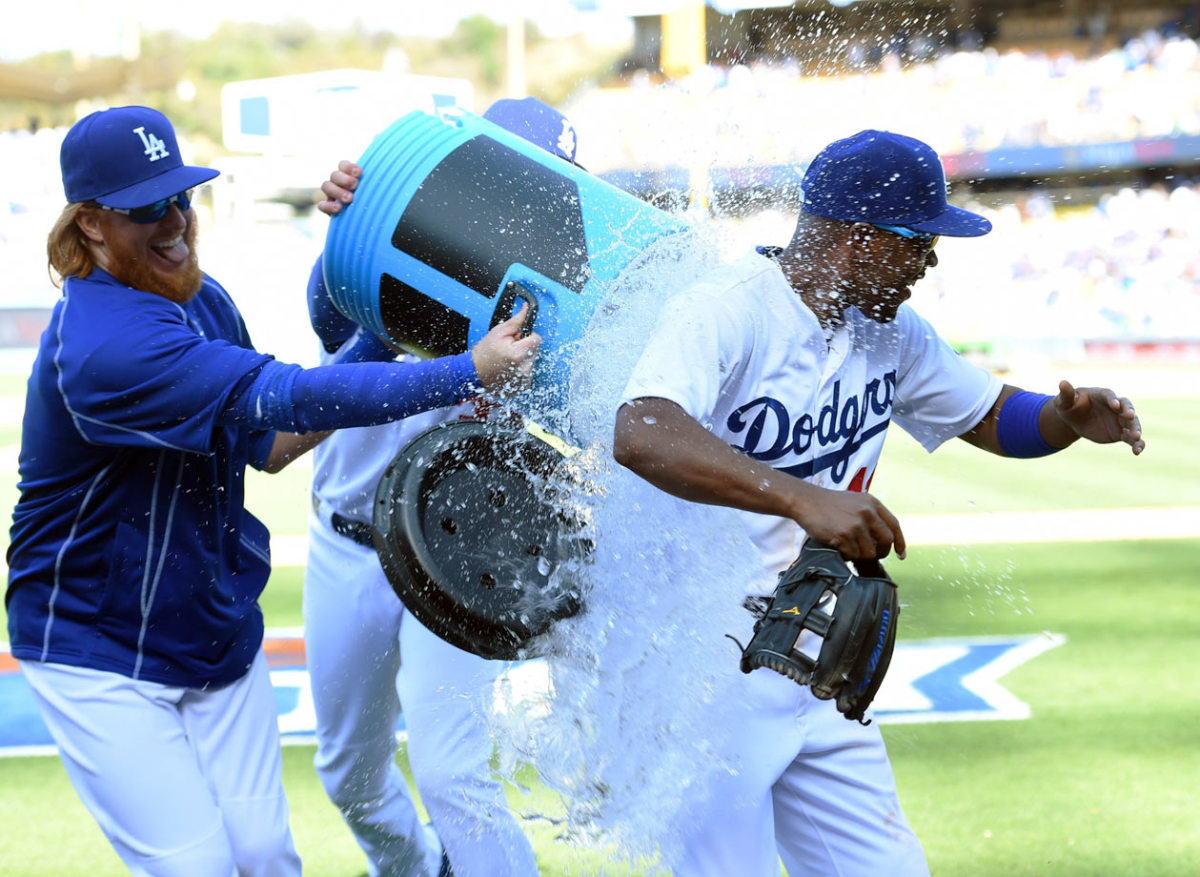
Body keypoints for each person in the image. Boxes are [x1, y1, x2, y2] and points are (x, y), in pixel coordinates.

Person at [5, 105, 539, 877]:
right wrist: (466, 370)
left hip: (213, 626)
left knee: (265, 858)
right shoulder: (102, 344)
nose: (175, 220)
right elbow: (288, 399)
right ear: (88, 224)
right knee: (201, 867)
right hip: (100, 644)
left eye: (181, 196)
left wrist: (386, 315)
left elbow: (276, 446)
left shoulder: (199, 295)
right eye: (146, 208)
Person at [611, 129, 1144, 876]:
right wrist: (804, 500)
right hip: (697, 671)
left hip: (815, 654)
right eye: (920, 241)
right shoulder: (729, 310)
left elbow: (991, 415)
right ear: (861, 240)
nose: (929, 261)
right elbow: (640, 431)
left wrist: (1065, 422)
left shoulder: (890, 333)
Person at [303, 96, 581, 877]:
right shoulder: (399, 242)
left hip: (460, 556)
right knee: (349, 773)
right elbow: (330, 319)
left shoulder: (561, 296)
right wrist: (345, 218)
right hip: (348, 541)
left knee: (455, 773)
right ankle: (413, 869)